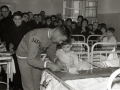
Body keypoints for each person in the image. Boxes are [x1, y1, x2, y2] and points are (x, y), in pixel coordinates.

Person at [16, 25, 71, 90]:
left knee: (37, 83)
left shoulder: (53, 37)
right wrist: (49, 65)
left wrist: (57, 61)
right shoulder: (37, 37)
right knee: (29, 86)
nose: (60, 42)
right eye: (61, 40)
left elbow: (50, 52)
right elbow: (31, 60)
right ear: (57, 33)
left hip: (35, 55)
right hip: (23, 56)